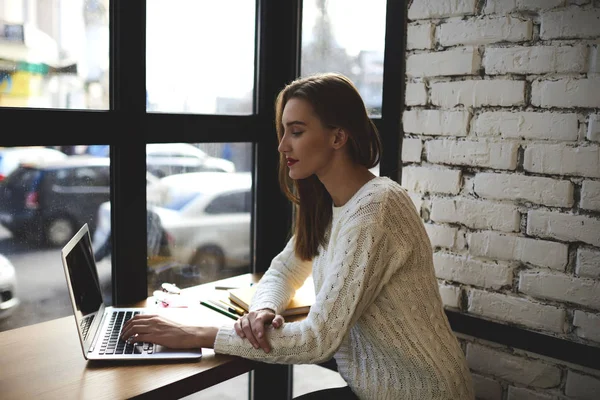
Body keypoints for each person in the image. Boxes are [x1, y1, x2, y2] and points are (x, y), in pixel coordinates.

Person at [121, 72, 475, 400]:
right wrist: (261, 310)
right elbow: (284, 270)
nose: (282, 146)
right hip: (372, 390)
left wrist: (194, 335)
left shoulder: (377, 207)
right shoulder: (329, 203)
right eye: (284, 131)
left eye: (297, 131)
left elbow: (317, 339)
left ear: (338, 137)